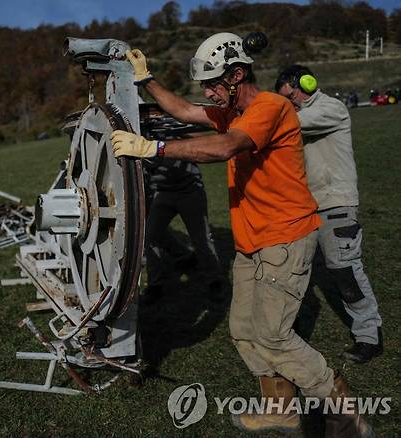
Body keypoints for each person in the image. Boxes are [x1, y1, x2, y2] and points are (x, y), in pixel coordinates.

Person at [110, 33, 372, 437]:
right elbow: (182, 109)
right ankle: (280, 411)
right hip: (253, 244)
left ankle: (346, 413)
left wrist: (153, 149)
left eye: (213, 85)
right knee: (244, 332)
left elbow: (225, 148)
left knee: (274, 336)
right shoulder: (231, 111)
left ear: (236, 75)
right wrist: (147, 80)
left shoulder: (270, 107)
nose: (209, 94)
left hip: (284, 239)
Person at [275, 65, 383, 364]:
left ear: (307, 84)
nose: (290, 102)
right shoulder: (296, 113)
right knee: (292, 270)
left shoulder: (330, 108)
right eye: (285, 99)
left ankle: (369, 335)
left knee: (344, 271)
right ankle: (286, 330)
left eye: (291, 95)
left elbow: (289, 124)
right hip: (305, 206)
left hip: (336, 203)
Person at [141, 157, 224, 305]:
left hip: (189, 189)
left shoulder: (173, 134)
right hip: (161, 191)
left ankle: (214, 281)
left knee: (201, 238)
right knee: (151, 236)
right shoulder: (143, 134)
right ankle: (156, 285)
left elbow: (195, 143)